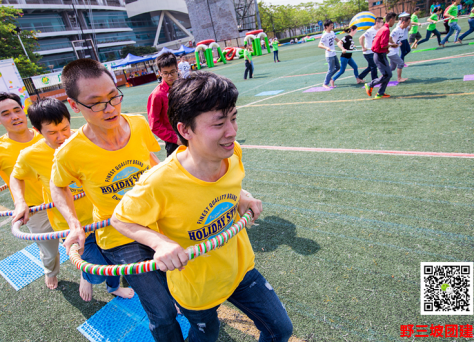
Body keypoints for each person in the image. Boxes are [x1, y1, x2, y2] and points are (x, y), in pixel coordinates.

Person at [111, 71, 293, 342]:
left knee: (281, 329)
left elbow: (228, 187)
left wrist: (241, 197)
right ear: (185, 130)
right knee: (205, 336)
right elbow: (120, 220)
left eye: (233, 118)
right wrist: (159, 243)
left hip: (239, 268)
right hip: (196, 287)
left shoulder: (232, 155)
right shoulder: (159, 182)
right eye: (218, 123)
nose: (231, 132)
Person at [50, 59, 181, 341]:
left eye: (113, 97)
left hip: (159, 221)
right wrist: (74, 223)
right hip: (118, 235)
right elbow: (57, 186)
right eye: (96, 102)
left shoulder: (137, 124)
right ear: (74, 106)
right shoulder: (69, 152)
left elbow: (151, 160)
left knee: (182, 288)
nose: (109, 108)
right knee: (162, 311)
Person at [10, 98, 134, 301]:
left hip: (101, 216)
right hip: (70, 224)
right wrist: (20, 202)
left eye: (65, 128)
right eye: (52, 132)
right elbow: (15, 177)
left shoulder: (84, 141)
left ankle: (113, 288)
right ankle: (87, 275)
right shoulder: (30, 155)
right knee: (97, 269)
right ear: (37, 130)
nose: (62, 137)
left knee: (114, 260)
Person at [0, 92, 60, 290]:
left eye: (17, 110)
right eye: (6, 113)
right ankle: (51, 272)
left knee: (86, 241)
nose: (14, 116)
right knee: (50, 251)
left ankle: (91, 275)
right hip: (35, 210)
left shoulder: (46, 133)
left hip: (67, 199)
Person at [148, 53, 181, 157]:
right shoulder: (157, 95)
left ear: (177, 69)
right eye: (165, 73)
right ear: (159, 73)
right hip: (174, 142)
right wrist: (175, 139)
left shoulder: (184, 86)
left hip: (190, 134)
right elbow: (154, 125)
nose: (170, 76)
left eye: (172, 72)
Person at [364, 12, 398, 99]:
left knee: (388, 74)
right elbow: (383, 45)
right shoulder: (386, 30)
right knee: (387, 75)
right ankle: (370, 85)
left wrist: (386, 50)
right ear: (391, 20)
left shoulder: (383, 28)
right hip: (379, 56)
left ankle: (380, 93)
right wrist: (392, 45)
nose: (394, 22)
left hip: (380, 55)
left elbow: (380, 44)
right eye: (394, 20)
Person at [358, 17, 384, 81]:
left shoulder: (379, 30)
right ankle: (375, 80)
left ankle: (360, 77)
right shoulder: (370, 30)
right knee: (373, 66)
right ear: (377, 23)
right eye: (381, 22)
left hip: (374, 51)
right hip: (368, 52)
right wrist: (363, 47)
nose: (382, 24)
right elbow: (361, 38)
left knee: (371, 66)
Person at [318, 19, 341, 89]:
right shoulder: (324, 35)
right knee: (330, 70)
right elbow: (319, 45)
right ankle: (325, 83)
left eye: (332, 25)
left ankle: (329, 77)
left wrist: (343, 43)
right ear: (326, 26)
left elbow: (337, 40)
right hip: (329, 55)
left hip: (333, 53)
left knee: (338, 67)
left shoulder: (332, 33)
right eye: (331, 26)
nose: (332, 27)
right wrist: (326, 47)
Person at [388, 16, 411, 82]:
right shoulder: (396, 30)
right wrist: (393, 43)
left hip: (395, 51)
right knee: (401, 63)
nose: (408, 25)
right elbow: (389, 37)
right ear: (403, 22)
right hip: (391, 51)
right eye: (408, 23)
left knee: (392, 67)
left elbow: (397, 38)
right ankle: (399, 78)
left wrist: (399, 42)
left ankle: (383, 76)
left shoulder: (403, 29)